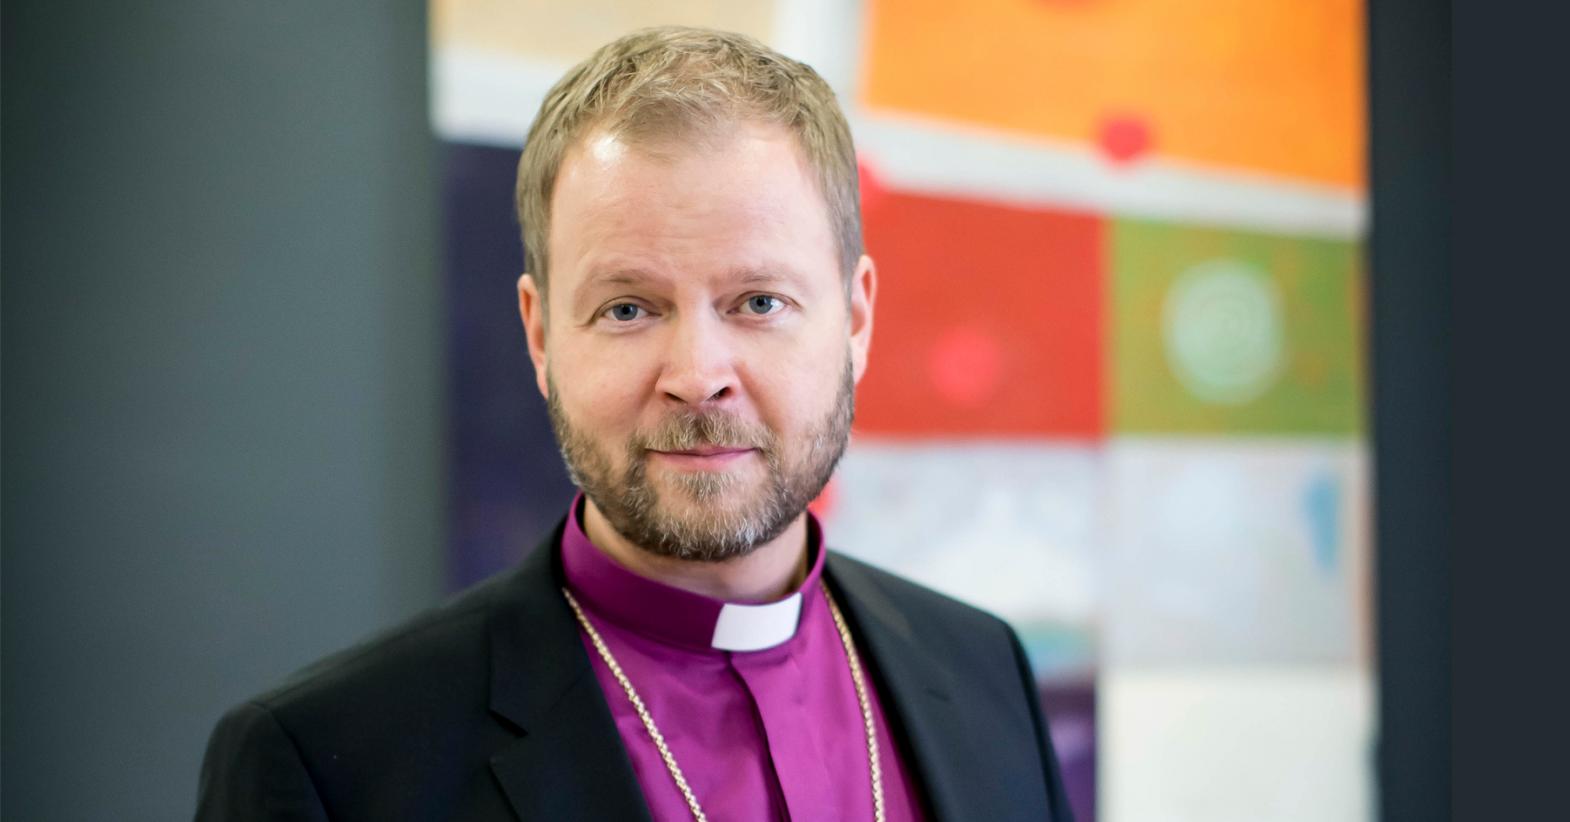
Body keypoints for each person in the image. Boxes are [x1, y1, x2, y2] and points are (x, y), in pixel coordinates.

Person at [195, 26, 1071, 822]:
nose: (697, 377)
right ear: (541, 336)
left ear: (855, 319)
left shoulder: (984, 669)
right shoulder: (329, 770)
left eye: (759, 301)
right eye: (628, 309)